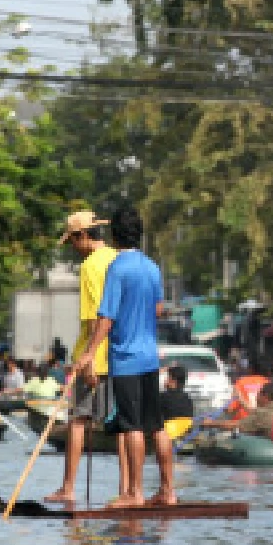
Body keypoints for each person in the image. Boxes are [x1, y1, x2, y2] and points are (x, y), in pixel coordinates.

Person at [73, 207, 175, 508]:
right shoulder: (152, 267)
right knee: (156, 425)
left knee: (131, 426)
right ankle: (168, 491)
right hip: (149, 358)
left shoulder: (117, 268)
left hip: (127, 358)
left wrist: (89, 353)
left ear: (115, 235)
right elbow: (157, 309)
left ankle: (135, 493)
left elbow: (106, 316)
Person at [46, 210, 120, 504]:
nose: (74, 249)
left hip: (93, 356)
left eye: (73, 241)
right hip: (117, 355)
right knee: (121, 425)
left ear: (83, 236)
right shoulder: (118, 258)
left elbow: (93, 319)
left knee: (78, 420)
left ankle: (68, 487)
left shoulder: (90, 266)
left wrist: (88, 358)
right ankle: (129, 489)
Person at [159, 364, 195, 441]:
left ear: (173, 381)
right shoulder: (187, 398)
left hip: (168, 434)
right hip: (185, 434)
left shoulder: (162, 397)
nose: (165, 380)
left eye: (167, 377)